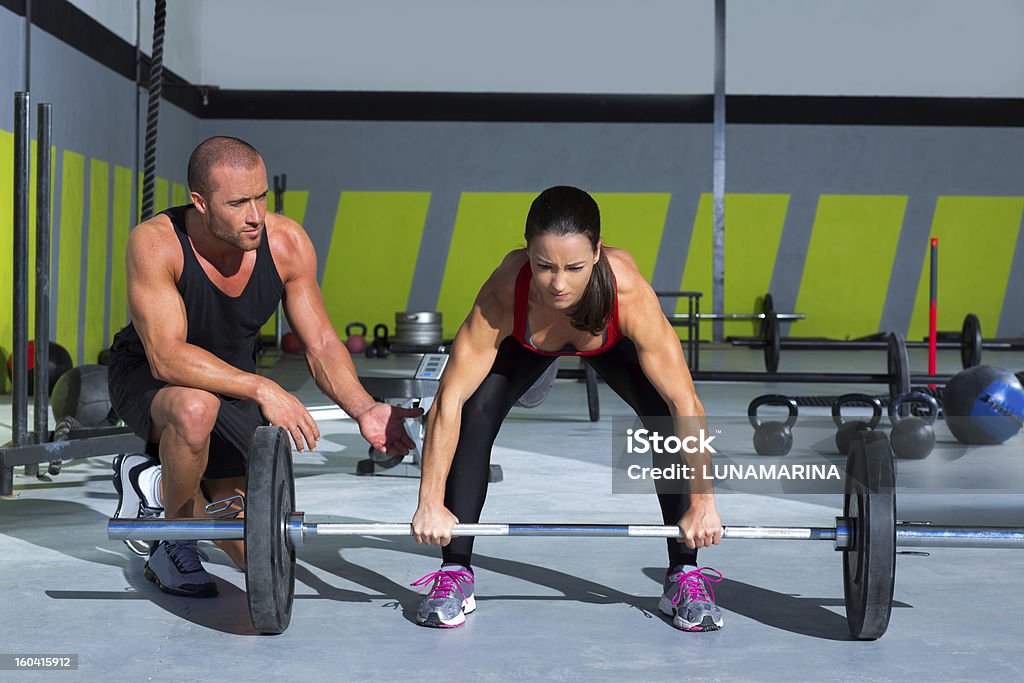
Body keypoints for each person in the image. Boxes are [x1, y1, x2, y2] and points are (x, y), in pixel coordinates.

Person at [108, 136, 420, 598]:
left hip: (231, 384)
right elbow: (166, 355)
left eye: (260, 196)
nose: (255, 214)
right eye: (237, 202)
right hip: (152, 379)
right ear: (200, 201)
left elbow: (322, 343)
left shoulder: (288, 243)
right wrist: (261, 388)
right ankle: (169, 539)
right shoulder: (156, 243)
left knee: (258, 558)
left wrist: (364, 408)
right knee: (195, 410)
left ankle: (151, 481)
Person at [409, 185, 724, 631]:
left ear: (597, 251)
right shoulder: (505, 289)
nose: (559, 283)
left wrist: (703, 502)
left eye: (574, 267)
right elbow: (449, 399)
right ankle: (455, 572)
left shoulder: (627, 290)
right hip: (528, 342)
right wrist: (429, 502)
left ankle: (684, 575)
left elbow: (684, 401)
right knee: (475, 412)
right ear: (527, 253)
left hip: (607, 339)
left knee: (663, 416)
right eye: (544, 266)